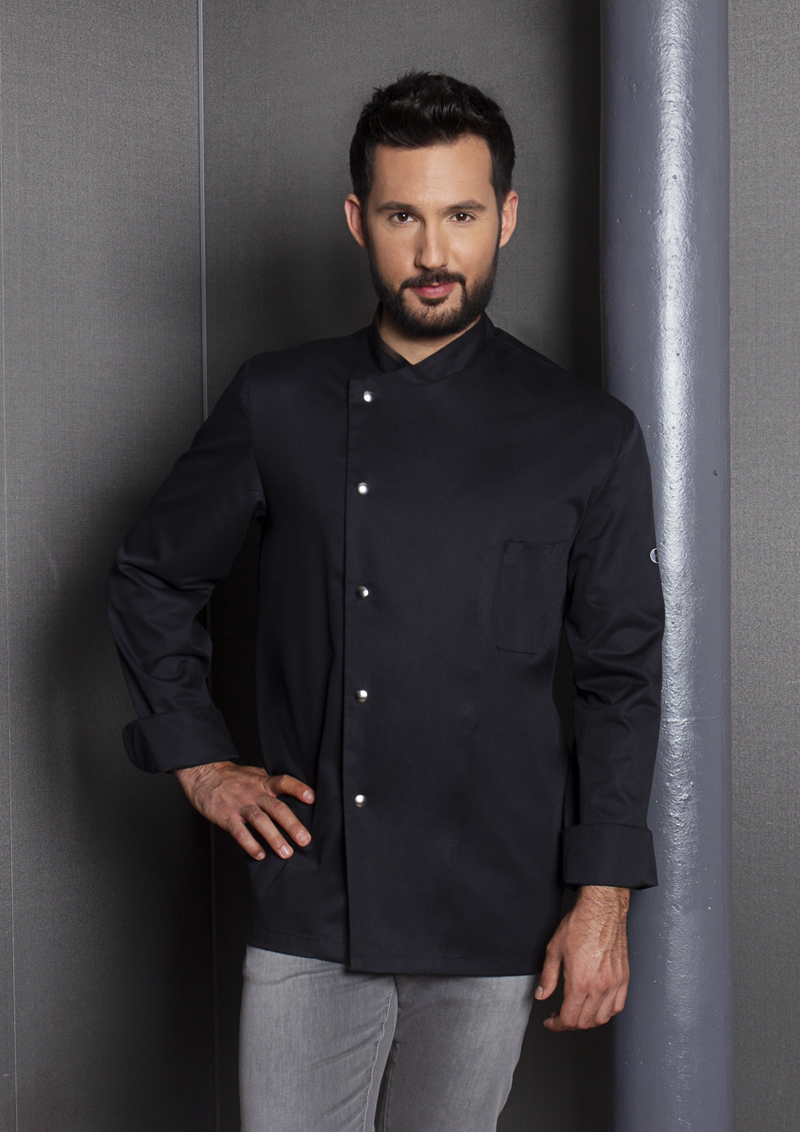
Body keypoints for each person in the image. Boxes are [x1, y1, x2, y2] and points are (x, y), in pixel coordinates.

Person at [108, 72, 664, 1132]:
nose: (433, 253)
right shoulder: (277, 399)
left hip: (494, 898)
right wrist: (201, 761)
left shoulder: (586, 434)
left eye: (462, 215)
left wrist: (602, 901)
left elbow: (620, 681)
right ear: (358, 219)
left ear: (507, 216)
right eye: (403, 216)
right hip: (315, 895)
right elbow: (151, 573)